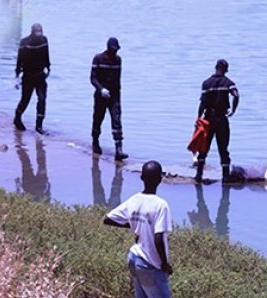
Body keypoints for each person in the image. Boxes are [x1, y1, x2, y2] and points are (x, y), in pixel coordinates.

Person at [103, 160, 173, 298]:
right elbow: (158, 239)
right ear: (160, 179)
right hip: (150, 263)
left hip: (134, 258)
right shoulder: (161, 205)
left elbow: (107, 219)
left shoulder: (134, 200)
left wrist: (134, 224)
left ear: (141, 178)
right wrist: (165, 264)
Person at [195, 59, 240, 183]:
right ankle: (225, 177)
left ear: (215, 67)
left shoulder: (206, 83)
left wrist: (198, 118)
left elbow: (203, 103)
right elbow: (236, 95)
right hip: (221, 120)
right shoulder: (228, 83)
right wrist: (233, 110)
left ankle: (199, 175)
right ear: (226, 70)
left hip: (208, 120)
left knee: (204, 147)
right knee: (223, 148)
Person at [90, 37, 128, 161]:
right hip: (101, 95)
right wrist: (101, 89)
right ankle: (95, 142)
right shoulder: (98, 59)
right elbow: (93, 78)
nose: (115, 52)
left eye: (116, 50)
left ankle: (119, 149)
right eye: (113, 50)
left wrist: (116, 97)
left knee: (116, 120)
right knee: (98, 119)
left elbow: (118, 80)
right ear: (108, 48)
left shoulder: (118, 60)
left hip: (114, 95)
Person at [13, 23, 51, 135]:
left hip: (40, 75)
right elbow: (19, 59)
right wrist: (17, 75)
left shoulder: (44, 40)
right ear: (32, 32)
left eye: (40, 32)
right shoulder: (25, 42)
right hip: (28, 76)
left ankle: (39, 126)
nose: (39, 34)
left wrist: (48, 67)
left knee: (42, 99)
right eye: (37, 32)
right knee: (25, 99)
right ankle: (17, 118)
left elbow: (46, 54)